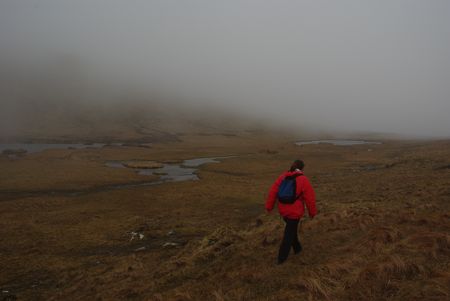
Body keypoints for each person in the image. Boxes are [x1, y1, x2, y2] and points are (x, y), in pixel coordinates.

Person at [265, 159, 317, 264]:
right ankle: (281, 259)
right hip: (294, 213)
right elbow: (310, 198)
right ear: (302, 168)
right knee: (288, 235)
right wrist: (312, 213)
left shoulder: (283, 176)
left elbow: (273, 192)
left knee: (291, 230)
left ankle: (298, 249)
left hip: (283, 211)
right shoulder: (303, 179)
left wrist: (269, 207)